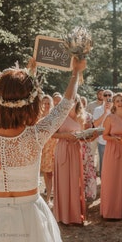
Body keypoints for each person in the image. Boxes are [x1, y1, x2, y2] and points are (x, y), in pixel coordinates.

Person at [0, 57, 87, 242]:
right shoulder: (37, 133)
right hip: (31, 216)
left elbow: (15, 100)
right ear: (31, 102)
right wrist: (76, 72)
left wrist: (29, 73)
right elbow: (66, 104)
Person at [52, 94, 86, 225]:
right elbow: (52, 134)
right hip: (63, 148)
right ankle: (63, 215)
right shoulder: (60, 117)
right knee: (64, 180)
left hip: (75, 149)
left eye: (74, 100)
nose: (72, 102)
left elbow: (82, 134)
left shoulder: (80, 117)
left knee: (74, 180)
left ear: (77, 102)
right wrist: (65, 135)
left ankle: (75, 214)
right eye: (70, 100)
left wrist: (85, 136)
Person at [40, 95, 57, 208]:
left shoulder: (54, 117)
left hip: (54, 146)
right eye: (44, 103)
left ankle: (56, 197)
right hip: (43, 148)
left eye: (48, 103)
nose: (46, 105)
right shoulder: (38, 117)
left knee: (56, 173)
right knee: (47, 174)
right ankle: (48, 198)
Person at [93, 89, 114, 176]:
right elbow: (95, 124)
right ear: (102, 97)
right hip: (102, 141)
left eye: (109, 95)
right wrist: (105, 112)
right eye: (105, 95)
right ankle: (103, 182)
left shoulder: (116, 108)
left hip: (114, 140)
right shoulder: (98, 109)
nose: (107, 97)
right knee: (103, 162)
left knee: (113, 163)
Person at [80, 96, 97, 201]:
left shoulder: (89, 116)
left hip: (87, 145)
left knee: (88, 168)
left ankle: (88, 192)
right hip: (76, 145)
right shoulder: (72, 116)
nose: (81, 105)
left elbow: (92, 130)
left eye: (83, 103)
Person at [86, 88, 104, 174]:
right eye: (99, 94)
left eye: (102, 94)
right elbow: (85, 116)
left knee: (101, 153)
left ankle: (98, 170)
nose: (101, 95)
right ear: (97, 94)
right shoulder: (91, 105)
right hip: (92, 131)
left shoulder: (107, 105)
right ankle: (91, 168)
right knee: (92, 151)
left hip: (102, 132)